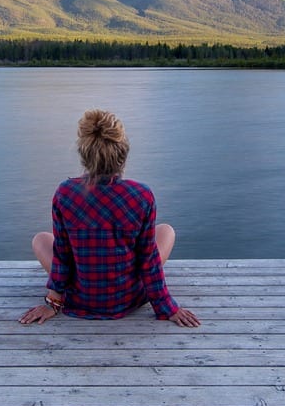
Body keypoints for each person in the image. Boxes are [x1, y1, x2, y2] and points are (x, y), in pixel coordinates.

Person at [20, 109, 201, 327]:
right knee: (166, 231)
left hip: (80, 298)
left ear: (84, 155)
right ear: (123, 153)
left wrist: (53, 303)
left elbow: (62, 255)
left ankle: (71, 292)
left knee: (41, 239)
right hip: (127, 299)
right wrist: (167, 307)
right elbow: (148, 259)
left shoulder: (65, 193)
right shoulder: (141, 195)